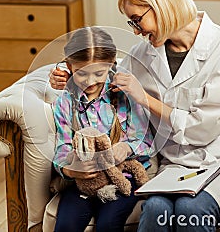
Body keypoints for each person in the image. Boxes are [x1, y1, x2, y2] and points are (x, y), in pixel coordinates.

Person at [50, 0, 220, 232]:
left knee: (192, 209)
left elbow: (201, 129)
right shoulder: (142, 54)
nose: (136, 31)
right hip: (178, 164)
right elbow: (98, 73)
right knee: (155, 209)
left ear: (159, 6)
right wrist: (64, 74)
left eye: (136, 20)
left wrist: (144, 98)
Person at [52, 26, 154, 232]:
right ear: (69, 67)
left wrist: (125, 148)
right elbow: (62, 146)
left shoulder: (125, 95)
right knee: (66, 225)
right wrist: (68, 170)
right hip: (83, 182)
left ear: (111, 65)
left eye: (99, 73)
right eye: (81, 74)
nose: (90, 82)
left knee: (108, 224)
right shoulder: (65, 102)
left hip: (123, 178)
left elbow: (145, 141)